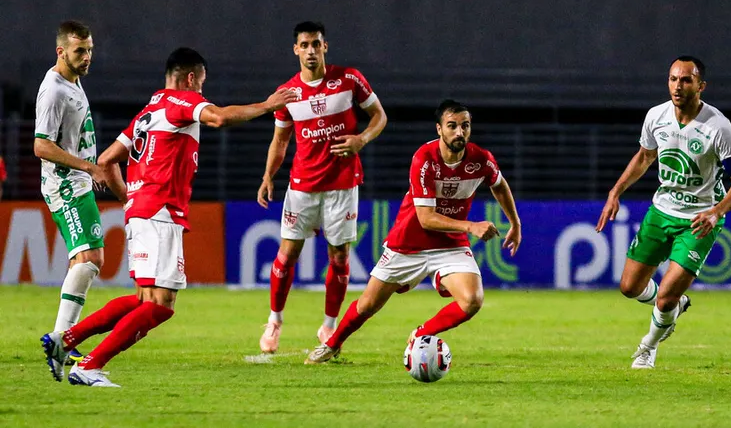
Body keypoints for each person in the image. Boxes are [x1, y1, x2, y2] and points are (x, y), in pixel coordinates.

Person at [40, 47, 298, 386]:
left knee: (144, 300)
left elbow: (106, 160)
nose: (202, 92)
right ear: (190, 78)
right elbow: (219, 117)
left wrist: (131, 199)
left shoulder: (150, 109)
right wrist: (268, 105)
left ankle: (66, 339)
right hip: (159, 211)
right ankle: (89, 365)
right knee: (162, 305)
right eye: (201, 84)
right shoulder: (181, 102)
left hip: (143, 210)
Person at [305, 99, 522, 364]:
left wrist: (515, 223)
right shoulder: (425, 159)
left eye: (465, 126)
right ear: (439, 129)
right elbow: (426, 218)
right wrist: (470, 226)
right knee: (367, 305)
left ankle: (421, 335)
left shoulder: (481, 159)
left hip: (450, 244)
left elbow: (498, 184)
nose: (459, 132)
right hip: (409, 242)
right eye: (452, 126)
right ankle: (332, 344)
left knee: (472, 300)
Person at [596, 56, 731, 369]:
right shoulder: (656, 116)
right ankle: (676, 306)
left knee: (663, 298)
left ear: (701, 86)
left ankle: (648, 346)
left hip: (698, 220)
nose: (677, 86)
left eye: (686, 80)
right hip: (661, 211)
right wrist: (615, 192)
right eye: (673, 79)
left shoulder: (717, 127)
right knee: (629, 288)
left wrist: (716, 212)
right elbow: (644, 158)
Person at [257, 21, 387, 354]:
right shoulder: (287, 93)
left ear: (325, 47)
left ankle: (329, 326)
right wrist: (268, 176)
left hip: (342, 184)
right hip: (302, 184)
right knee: (286, 256)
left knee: (339, 257)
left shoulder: (349, 80)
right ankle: (274, 320)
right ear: (296, 50)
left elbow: (379, 117)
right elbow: (280, 139)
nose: (311, 50)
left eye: (316, 44)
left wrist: (361, 139)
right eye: (305, 45)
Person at [34, 21, 108, 375]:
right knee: (90, 259)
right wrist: (87, 167)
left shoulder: (73, 83)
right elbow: (40, 145)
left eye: (90, 49)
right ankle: (62, 340)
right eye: (80, 51)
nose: (87, 57)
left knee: (86, 259)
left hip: (77, 180)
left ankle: (63, 341)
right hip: (66, 185)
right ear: (60, 51)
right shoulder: (54, 91)